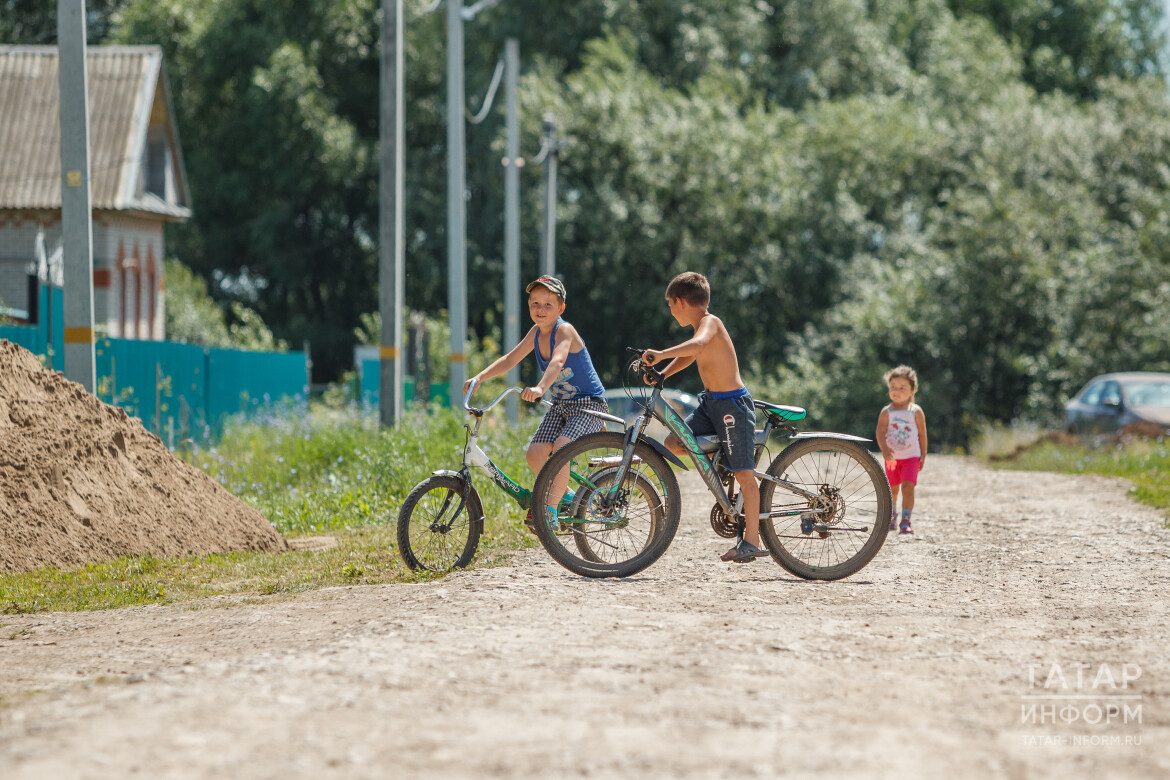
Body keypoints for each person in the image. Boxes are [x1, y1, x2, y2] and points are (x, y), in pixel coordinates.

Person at [462, 275, 608, 526]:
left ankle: (549, 512)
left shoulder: (564, 330)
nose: (540, 310)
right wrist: (480, 377)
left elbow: (558, 361)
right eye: (534, 303)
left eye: (548, 305)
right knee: (535, 455)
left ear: (561, 308)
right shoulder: (536, 332)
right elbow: (510, 359)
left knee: (561, 449)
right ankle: (564, 496)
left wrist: (541, 387)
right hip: (562, 406)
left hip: (589, 405)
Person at [642, 271, 767, 563]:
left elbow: (696, 347)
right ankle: (721, 460)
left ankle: (751, 540)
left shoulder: (711, 323)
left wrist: (659, 353)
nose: (670, 311)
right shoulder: (700, 328)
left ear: (680, 301)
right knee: (675, 442)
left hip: (732, 407)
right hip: (712, 405)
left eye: (670, 305)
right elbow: (690, 354)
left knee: (745, 476)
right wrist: (662, 373)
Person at [875, 365, 928, 535]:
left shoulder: (916, 411)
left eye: (902, 388)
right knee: (892, 489)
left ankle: (906, 520)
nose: (896, 391)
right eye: (893, 387)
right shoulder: (887, 412)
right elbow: (880, 432)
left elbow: (922, 435)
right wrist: (884, 449)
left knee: (908, 487)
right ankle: (892, 516)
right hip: (892, 459)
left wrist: (923, 456)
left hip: (912, 457)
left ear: (913, 389)